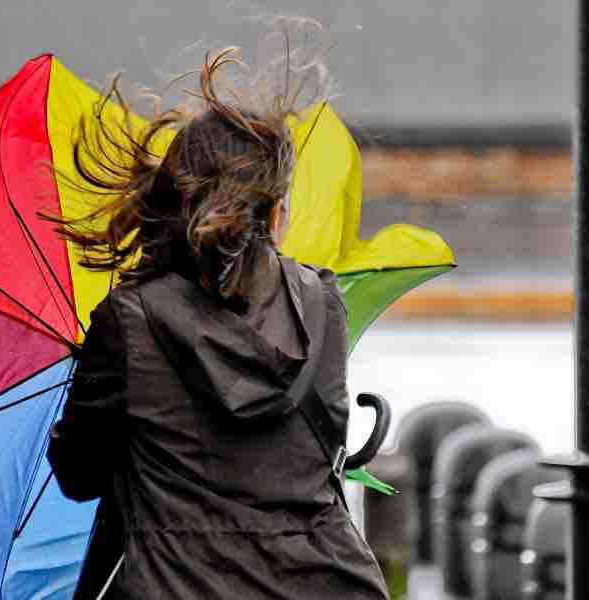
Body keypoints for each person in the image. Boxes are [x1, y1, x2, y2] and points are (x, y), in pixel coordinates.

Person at [45, 47, 389, 599]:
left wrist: (90, 393)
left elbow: (79, 475)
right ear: (275, 214)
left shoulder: (128, 323)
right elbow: (318, 453)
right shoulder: (324, 302)